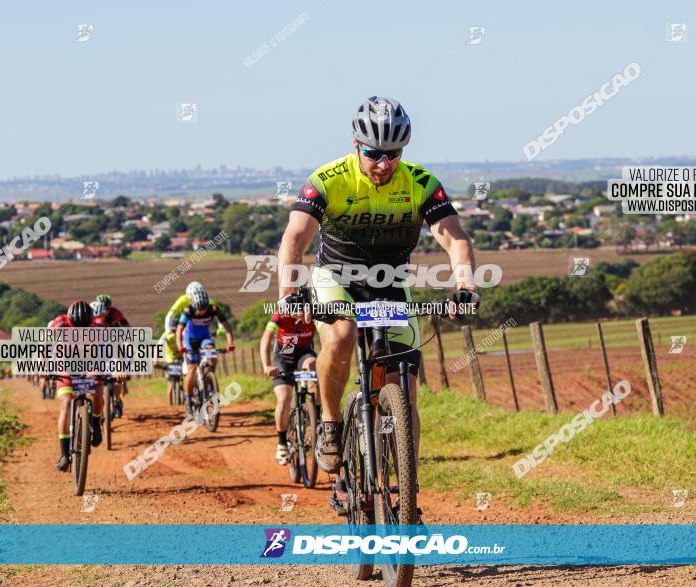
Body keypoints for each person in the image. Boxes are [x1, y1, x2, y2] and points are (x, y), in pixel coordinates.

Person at [276, 96, 480, 478]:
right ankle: (332, 424)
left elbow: (454, 238)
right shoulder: (328, 180)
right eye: (373, 154)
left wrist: (465, 287)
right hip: (335, 279)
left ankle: (407, 491)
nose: (384, 164)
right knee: (341, 335)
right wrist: (289, 294)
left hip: (390, 284)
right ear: (356, 145)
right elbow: (294, 239)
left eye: (394, 153)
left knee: (404, 387)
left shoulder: (420, 183)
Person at [52, 300, 106, 472]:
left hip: (89, 364)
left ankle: (96, 423)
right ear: (69, 320)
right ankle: (63, 454)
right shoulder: (59, 324)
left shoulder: (98, 328)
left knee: (98, 387)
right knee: (66, 403)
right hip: (65, 365)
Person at [260, 309, 317, 465]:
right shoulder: (280, 315)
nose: (300, 313)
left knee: (313, 368)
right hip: (284, 356)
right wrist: (266, 365)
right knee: (284, 398)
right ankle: (282, 443)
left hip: (305, 354)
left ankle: (316, 420)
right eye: (296, 310)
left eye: (302, 309)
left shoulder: (313, 313)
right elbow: (266, 338)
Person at [175, 288, 234, 413]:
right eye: (199, 309)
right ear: (194, 306)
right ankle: (188, 398)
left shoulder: (213, 309)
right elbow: (179, 329)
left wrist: (230, 342)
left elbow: (227, 326)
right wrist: (180, 345)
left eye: (204, 308)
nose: (201, 311)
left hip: (205, 338)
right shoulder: (188, 310)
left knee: (211, 350)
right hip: (190, 341)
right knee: (192, 368)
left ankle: (210, 378)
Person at [92, 295, 129, 418]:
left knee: (118, 378)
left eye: (107, 310)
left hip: (112, 350)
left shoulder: (115, 315)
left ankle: (117, 400)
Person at [157, 330, 183, 405]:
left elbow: (159, 345)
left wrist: (155, 360)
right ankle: (171, 405)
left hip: (172, 361)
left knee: (170, 384)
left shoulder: (166, 333)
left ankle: (170, 405)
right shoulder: (181, 331)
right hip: (175, 360)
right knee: (172, 384)